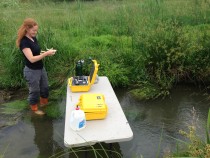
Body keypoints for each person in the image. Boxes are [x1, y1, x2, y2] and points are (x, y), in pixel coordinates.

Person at [16, 18, 56, 115]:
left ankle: (44, 104)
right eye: (33, 30)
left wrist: (44, 52)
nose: (35, 32)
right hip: (31, 71)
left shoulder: (33, 38)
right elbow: (31, 59)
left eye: (36, 30)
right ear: (27, 29)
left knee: (45, 87)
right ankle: (34, 109)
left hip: (40, 68)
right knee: (35, 91)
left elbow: (35, 52)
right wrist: (46, 54)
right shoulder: (24, 42)